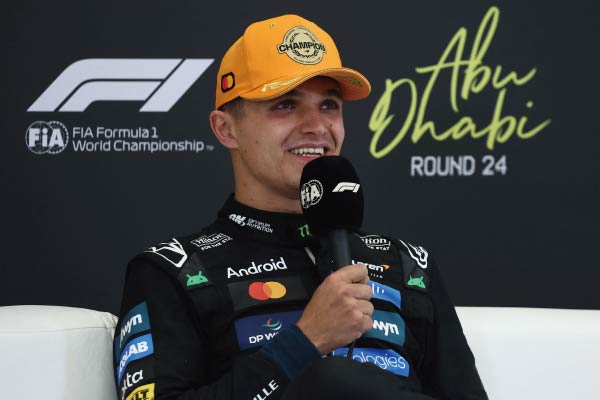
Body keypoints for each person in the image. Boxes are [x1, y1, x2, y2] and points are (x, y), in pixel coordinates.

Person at [113, 14, 488, 400]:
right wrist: (304, 342)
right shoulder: (174, 272)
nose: (316, 125)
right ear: (226, 128)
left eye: (329, 105)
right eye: (285, 105)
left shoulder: (408, 265)